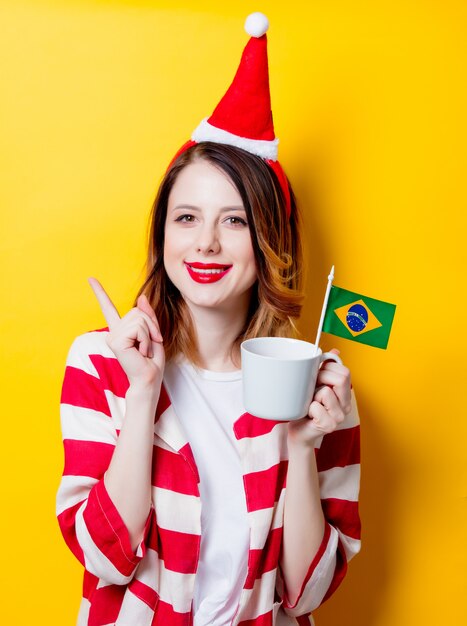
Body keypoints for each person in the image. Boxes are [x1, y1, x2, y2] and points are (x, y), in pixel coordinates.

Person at [56, 13, 361, 626]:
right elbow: (104, 557)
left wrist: (303, 448)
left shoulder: (322, 388)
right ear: (163, 234)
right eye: (187, 218)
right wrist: (142, 396)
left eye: (235, 220)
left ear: (270, 239)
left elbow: (306, 597)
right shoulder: (101, 363)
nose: (206, 246)